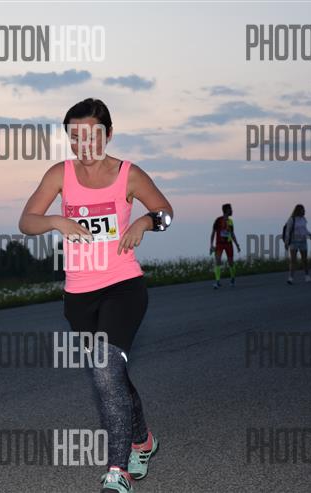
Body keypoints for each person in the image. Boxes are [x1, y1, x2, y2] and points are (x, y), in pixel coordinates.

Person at [19, 98, 173, 493]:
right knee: (111, 374)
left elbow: (166, 212)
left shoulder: (128, 174)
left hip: (123, 285)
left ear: (108, 134)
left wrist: (143, 221)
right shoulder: (60, 174)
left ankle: (118, 471)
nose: (83, 144)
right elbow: (26, 222)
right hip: (79, 293)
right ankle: (143, 440)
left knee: (105, 369)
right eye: (75, 136)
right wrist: (56, 220)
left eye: (91, 135)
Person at [209, 203, 240, 289]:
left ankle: (232, 279)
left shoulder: (230, 221)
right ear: (226, 210)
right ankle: (217, 281)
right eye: (230, 209)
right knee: (218, 261)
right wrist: (211, 245)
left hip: (228, 244)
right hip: (219, 244)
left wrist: (237, 244)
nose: (232, 211)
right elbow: (213, 233)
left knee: (231, 262)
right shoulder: (218, 220)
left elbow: (232, 234)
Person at [283, 204, 311, 284]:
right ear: (298, 210)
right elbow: (288, 231)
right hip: (294, 241)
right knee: (293, 260)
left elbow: (305, 229)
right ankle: (290, 278)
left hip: (303, 241)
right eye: (303, 210)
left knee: (305, 260)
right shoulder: (292, 219)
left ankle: (307, 276)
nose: (304, 211)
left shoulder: (303, 219)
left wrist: (310, 234)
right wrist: (286, 243)